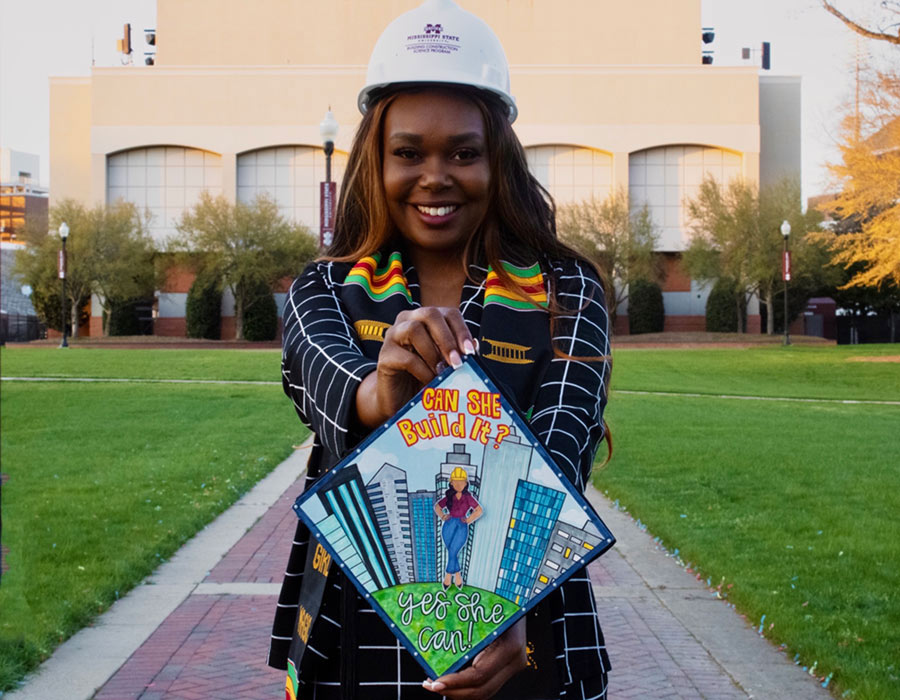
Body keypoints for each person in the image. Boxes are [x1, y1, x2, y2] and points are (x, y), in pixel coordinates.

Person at [269, 1, 612, 698]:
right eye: (408, 153)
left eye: (463, 151)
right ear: (377, 159)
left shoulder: (567, 290)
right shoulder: (325, 290)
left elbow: (563, 439)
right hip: (355, 628)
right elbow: (324, 379)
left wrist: (506, 603)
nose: (435, 175)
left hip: (531, 626)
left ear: (498, 158)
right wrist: (384, 390)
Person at [435, 467, 484, 590]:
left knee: (453, 551)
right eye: (455, 482)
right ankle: (457, 575)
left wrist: (468, 520)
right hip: (448, 525)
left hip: (462, 526)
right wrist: (442, 516)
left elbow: (479, 510)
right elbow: (437, 507)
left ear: (466, 484)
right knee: (452, 552)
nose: (458, 484)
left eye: (461, 482)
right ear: (451, 483)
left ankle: (448, 577)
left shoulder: (468, 497)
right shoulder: (449, 497)